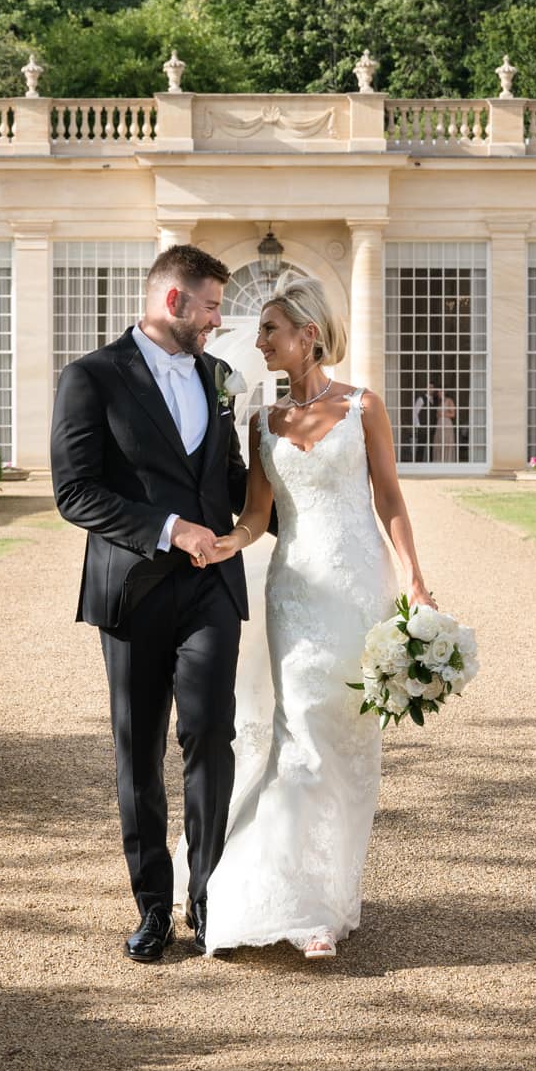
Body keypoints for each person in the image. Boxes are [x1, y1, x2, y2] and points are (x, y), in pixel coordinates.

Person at [199, 274, 433, 960]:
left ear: (308, 334)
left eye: (270, 328)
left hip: (359, 586)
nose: (260, 340)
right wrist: (224, 545)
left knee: (347, 739)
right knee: (296, 730)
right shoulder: (261, 422)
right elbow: (257, 517)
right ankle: (297, 906)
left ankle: (330, 891)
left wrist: (416, 579)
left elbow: (389, 497)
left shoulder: (364, 406)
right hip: (293, 593)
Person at [50, 245, 251, 963]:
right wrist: (170, 529)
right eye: (211, 306)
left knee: (211, 737)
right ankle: (152, 907)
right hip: (132, 589)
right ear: (174, 302)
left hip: (212, 591)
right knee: (138, 751)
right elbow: (75, 492)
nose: (218, 321)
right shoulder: (91, 378)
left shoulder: (218, 378)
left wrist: (298, 488)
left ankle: (209, 896)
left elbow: (228, 482)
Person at [431, 386, 460, 464]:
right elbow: (437, 415)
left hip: (446, 424)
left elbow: (453, 414)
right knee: (439, 443)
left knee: (446, 443)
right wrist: (439, 415)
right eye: (437, 392)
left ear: (444, 392)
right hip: (439, 425)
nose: (438, 393)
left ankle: (447, 462)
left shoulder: (449, 401)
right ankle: (439, 462)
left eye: (439, 391)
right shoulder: (440, 402)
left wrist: (442, 414)